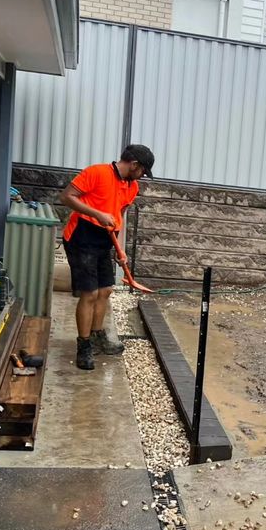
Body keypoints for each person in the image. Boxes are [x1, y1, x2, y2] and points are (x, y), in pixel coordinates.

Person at [60, 144, 155, 370]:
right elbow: (66, 196)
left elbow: (118, 217)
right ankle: (83, 346)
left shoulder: (132, 186)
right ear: (134, 164)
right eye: (142, 170)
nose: (142, 175)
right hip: (81, 235)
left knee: (106, 290)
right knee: (90, 293)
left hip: (105, 238)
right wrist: (96, 214)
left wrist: (119, 250)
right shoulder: (96, 172)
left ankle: (96, 335)